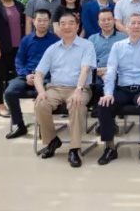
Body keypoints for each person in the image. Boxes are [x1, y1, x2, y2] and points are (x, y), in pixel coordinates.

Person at [96, 12, 140, 166]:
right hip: (123, 88)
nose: (136, 26)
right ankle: (110, 147)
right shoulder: (117, 46)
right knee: (103, 105)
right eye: (133, 23)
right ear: (126, 26)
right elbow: (111, 71)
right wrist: (108, 93)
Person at [33, 12, 96, 168]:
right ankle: (52, 140)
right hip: (55, 88)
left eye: (70, 23)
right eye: (63, 24)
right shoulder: (52, 49)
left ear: (77, 26)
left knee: (76, 104)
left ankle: (74, 148)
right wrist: (41, 92)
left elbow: (85, 69)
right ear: (58, 27)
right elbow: (38, 74)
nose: (67, 26)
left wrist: (78, 90)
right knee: (40, 104)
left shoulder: (87, 45)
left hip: (79, 88)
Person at [5, 9, 60, 138]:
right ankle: (20, 126)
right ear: (34, 21)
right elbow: (19, 61)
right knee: (10, 92)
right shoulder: (26, 40)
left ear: (49, 22)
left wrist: (40, 76)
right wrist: (27, 75)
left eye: (45, 20)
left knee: (43, 95)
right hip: (27, 76)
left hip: (46, 78)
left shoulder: (55, 41)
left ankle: (43, 126)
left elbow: (58, 63)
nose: (42, 23)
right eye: (39, 20)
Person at [88, 8, 128, 122]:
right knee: (96, 85)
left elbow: (126, 60)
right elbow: (89, 60)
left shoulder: (123, 37)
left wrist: (108, 71)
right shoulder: (92, 39)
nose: (106, 22)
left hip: (118, 72)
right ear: (98, 22)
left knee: (114, 85)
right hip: (97, 72)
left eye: (109, 19)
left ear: (114, 20)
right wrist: (98, 71)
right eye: (103, 20)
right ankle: (103, 116)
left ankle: (108, 119)